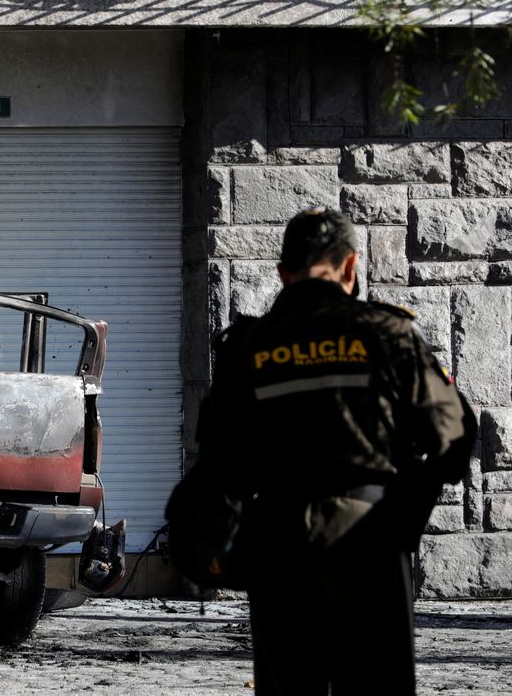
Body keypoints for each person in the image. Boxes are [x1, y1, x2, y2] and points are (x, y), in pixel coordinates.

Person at [192, 207, 476, 695]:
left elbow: (218, 464)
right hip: (371, 543)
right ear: (350, 267)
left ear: (283, 274)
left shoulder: (248, 348)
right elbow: (455, 437)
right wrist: (407, 510)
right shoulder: (390, 334)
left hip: (279, 546)